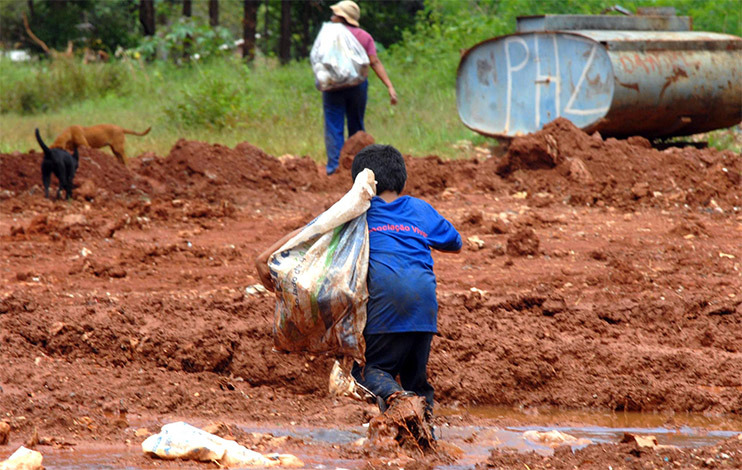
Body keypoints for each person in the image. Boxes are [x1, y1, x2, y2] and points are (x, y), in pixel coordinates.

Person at [254, 144, 461, 428]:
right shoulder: (419, 209)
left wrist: (267, 257)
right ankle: (424, 434)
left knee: (369, 373)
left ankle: (399, 400)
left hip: (385, 308)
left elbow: (315, 230)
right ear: (402, 179)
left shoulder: (358, 213)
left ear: (360, 184)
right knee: (417, 378)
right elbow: (454, 242)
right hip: (425, 311)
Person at [321, 1, 398, 176]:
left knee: (334, 126)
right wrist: (389, 86)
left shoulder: (329, 36)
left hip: (332, 87)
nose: (332, 17)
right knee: (356, 127)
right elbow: (374, 62)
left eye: (335, 15)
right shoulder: (364, 36)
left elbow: (320, 59)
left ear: (341, 17)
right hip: (357, 88)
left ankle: (334, 169)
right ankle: (357, 169)